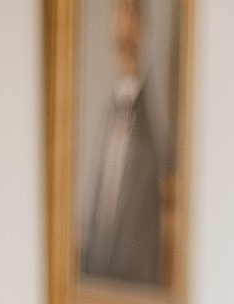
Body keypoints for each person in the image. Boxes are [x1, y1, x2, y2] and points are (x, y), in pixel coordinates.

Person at [80, 0, 165, 285]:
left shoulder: (154, 118)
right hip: (97, 272)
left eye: (128, 12)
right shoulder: (109, 115)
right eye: (117, 12)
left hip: (135, 280)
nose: (121, 22)